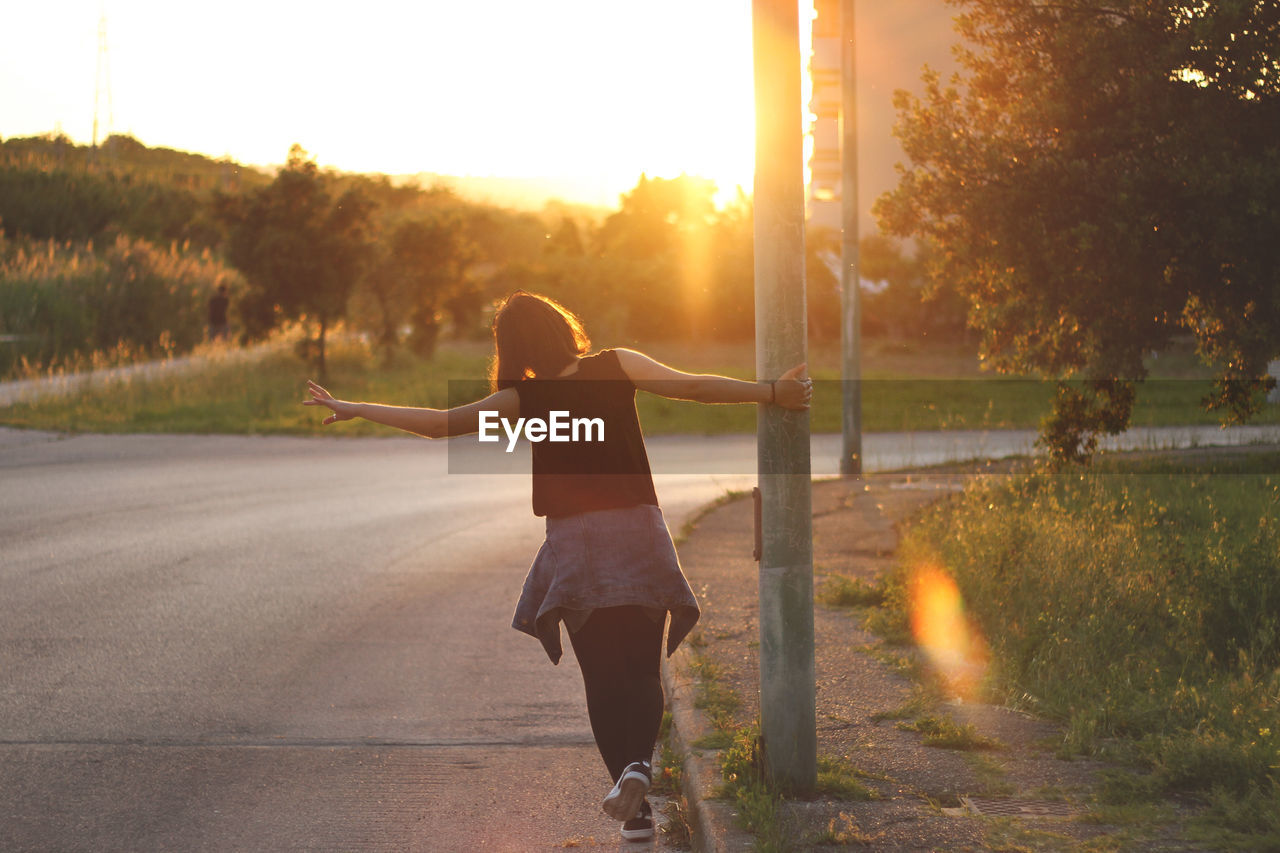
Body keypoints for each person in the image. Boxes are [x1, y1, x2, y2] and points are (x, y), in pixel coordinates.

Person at [303, 291, 810, 842]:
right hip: (639, 532)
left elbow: (440, 424)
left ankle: (634, 809)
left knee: (601, 677)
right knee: (642, 670)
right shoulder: (618, 364)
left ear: (511, 347)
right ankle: (639, 766)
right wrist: (774, 392)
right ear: (562, 327)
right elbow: (693, 386)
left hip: (577, 544)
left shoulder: (523, 398)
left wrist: (355, 408)